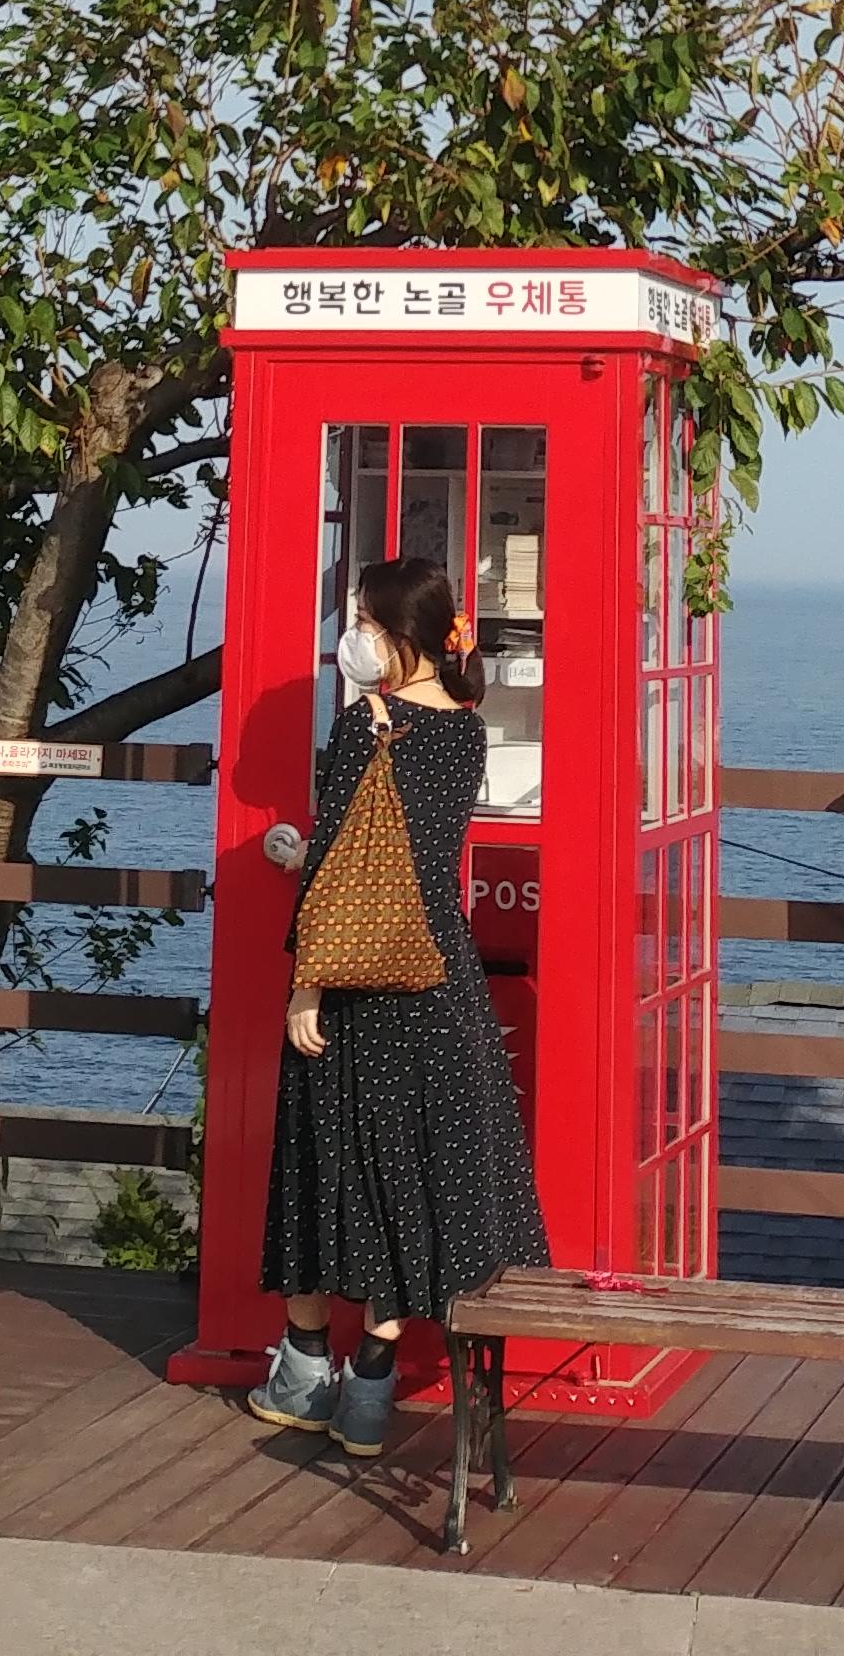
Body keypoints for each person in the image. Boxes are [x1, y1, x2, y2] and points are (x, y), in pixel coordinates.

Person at [248, 549, 550, 1456]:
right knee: (410, 1181)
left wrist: (307, 985)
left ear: (395, 636)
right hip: (438, 979)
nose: (355, 639)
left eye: (366, 624)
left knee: (317, 1162)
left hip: (357, 993)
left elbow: (342, 867)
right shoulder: (467, 732)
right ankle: (372, 1387)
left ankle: (305, 1367)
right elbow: (409, 859)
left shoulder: (362, 728)